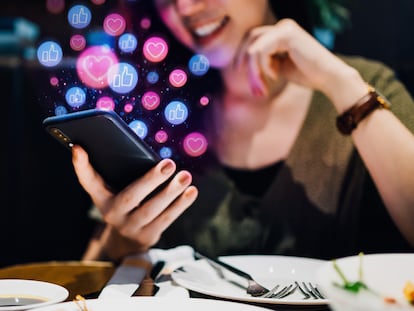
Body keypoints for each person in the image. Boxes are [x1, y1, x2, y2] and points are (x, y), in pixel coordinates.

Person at [72, 0, 414, 262]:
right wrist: (124, 241)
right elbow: (88, 281)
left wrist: (340, 86)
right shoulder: (160, 113)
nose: (185, 7)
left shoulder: (365, 87)